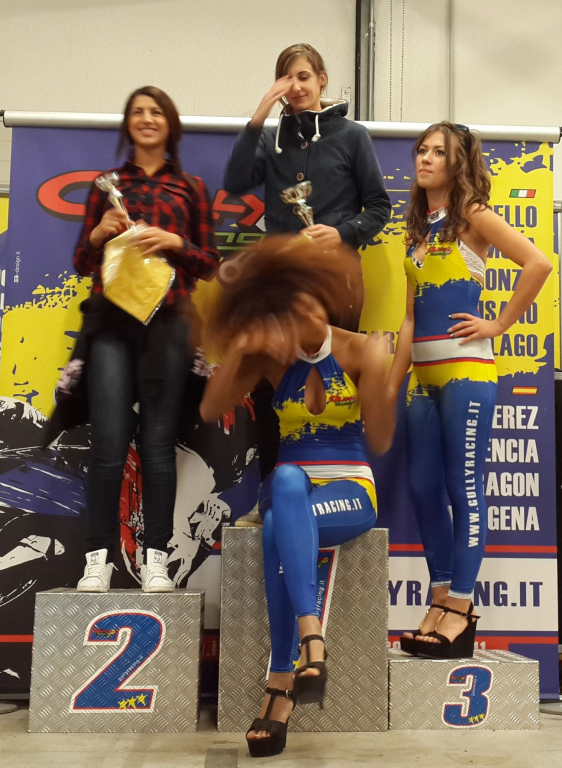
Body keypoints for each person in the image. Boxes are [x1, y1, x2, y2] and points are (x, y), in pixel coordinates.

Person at [200, 237, 395, 757]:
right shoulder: (271, 357)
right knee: (286, 479)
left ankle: (281, 682)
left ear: (321, 300)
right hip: (292, 489)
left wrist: (379, 373)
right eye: (289, 311)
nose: (304, 317)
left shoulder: (357, 348)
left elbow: (380, 439)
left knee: (278, 528)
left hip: (351, 490)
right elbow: (210, 408)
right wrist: (242, 349)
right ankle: (312, 640)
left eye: (309, 304)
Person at [386, 121, 552, 658]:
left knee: (465, 488)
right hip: (423, 379)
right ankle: (438, 597)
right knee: (422, 487)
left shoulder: (473, 215)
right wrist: (390, 388)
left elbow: (539, 263)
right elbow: (409, 320)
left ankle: (460, 606)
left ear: (458, 163)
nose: (425, 158)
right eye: (423, 149)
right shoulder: (417, 228)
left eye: (439, 152)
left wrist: (498, 324)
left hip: (467, 373)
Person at [224, 42, 392, 514]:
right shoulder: (271, 139)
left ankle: (337, 494)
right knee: (270, 387)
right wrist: (260, 114)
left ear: (322, 79)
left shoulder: (352, 136)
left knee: (334, 384)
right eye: (286, 78)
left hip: (337, 282)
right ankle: (272, 498)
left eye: (303, 76)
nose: (295, 87)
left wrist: (341, 233)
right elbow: (235, 181)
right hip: (281, 285)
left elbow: (380, 207)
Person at [72, 85, 219, 593]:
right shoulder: (106, 186)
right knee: (108, 445)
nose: (147, 118)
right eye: (137, 111)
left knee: (157, 446)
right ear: (127, 123)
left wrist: (174, 241)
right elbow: (82, 261)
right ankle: (97, 561)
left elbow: (210, 264)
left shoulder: (190, 188)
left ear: (170, 123)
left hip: (170, 326)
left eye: (156, 111)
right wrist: (100, 233)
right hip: (111, 325)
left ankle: (156, 558)